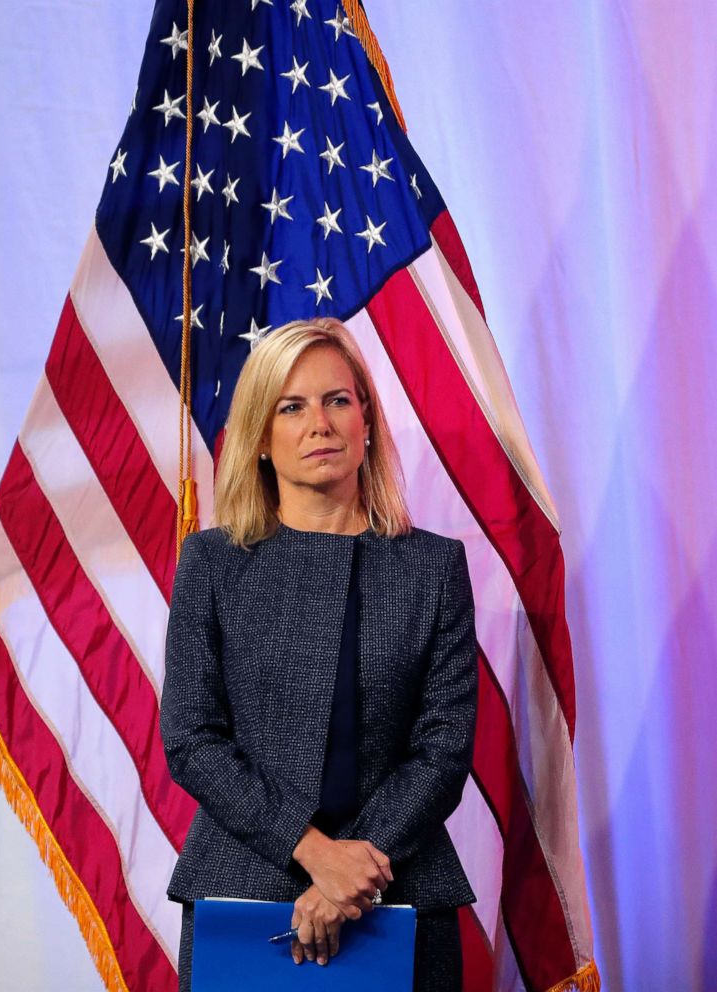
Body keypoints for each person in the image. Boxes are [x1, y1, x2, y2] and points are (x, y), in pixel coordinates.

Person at [161, 317, 478, 991]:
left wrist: (355, 870)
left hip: (400, 895)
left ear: (366, 420)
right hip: (242, 897)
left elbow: (443, 750)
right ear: (262, 439)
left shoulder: (433, 568)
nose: (320, 424)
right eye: (291, 406)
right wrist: (313, 853)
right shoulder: (212, 564)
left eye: (338, 400)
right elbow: (192, 740)